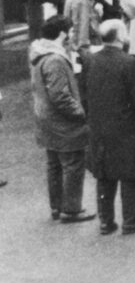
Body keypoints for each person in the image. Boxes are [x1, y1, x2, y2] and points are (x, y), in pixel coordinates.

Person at [83, 20, 135, 235]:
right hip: (127, 127)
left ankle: (106, 221)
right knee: (132, 174)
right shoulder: (129, 63)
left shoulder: (90, 61)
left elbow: (84, 94)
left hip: (99, 126)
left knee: (104, 175)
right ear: (119, 36)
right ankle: (132, 220)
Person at [31, 15, 91, 223]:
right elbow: (60, 96)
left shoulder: (40, 54)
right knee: (73, 164)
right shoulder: (55, 60)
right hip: (63, 123)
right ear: (63, 33)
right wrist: (80, 112)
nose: (73, 34)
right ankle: (72, 209)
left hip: (46, 119)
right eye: (71, 31)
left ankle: (57, 206)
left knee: (54, 164)